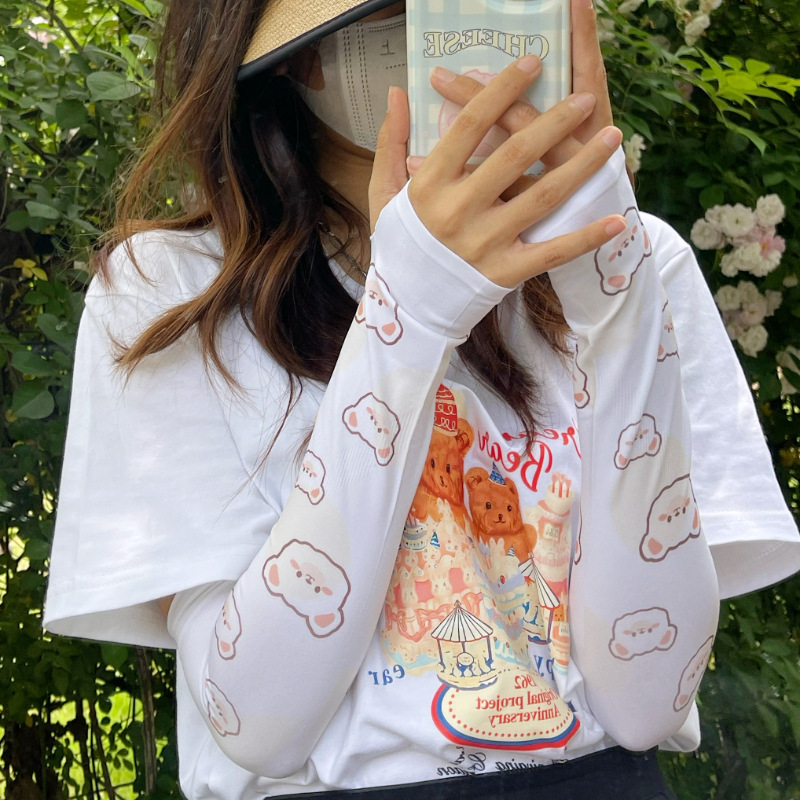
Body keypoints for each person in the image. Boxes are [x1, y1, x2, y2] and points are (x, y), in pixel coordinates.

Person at [44, 1, 800, 798]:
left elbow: (647, 705)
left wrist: (614, 296)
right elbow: (258, 724)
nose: (460, 33)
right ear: (293, 58)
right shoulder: (172, 292)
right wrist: (408, 314)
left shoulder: (640, 260)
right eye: (399, 13)